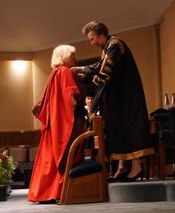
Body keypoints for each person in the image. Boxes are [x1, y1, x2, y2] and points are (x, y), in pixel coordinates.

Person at [71, 21, 155, 182]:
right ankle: (122, 167)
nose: (92, 43)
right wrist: (84, 71)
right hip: (119, 97)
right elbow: (101, 65)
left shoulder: (115, 44)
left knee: (129, 128)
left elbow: (105, 70)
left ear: (100, 35)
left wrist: (86, 74)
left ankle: (136, 167)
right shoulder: (108, 47)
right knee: (119, 129)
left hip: (127, 95)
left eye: (92, 39)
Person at [28, 45, 86, 203]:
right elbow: (71, 98)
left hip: (53, 125)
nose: (75, 58)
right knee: (64, 157)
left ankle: (44, 193)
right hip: (64, 125)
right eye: (72, 55)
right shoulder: (65, 72)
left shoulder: (54, 73)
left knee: (49, 159)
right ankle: (58, 191)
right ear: (64, 56)